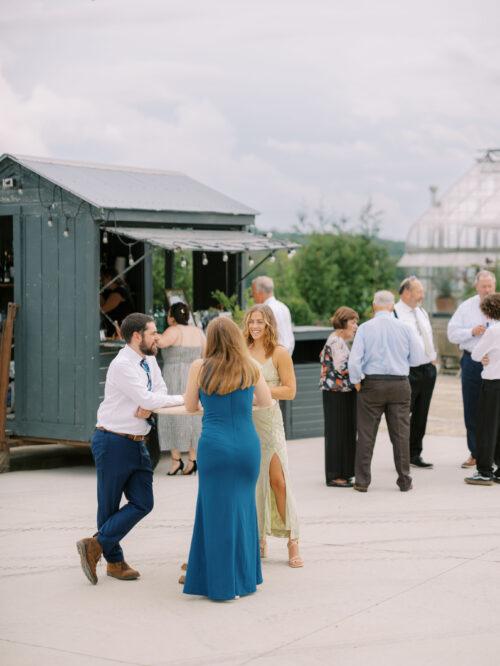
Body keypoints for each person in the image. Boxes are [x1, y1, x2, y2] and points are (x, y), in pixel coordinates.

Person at [76, 313, 184, 585]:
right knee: (109, 506)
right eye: (153, 332)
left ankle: (96, 544)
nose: (157, 336)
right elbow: (150, 397)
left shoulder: (148, 359)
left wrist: (153, 402)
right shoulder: (122, 365)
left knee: (143, 502)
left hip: (138, 442)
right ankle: (114, 562)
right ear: (137, 336)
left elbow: (158, 391)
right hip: (112, 440)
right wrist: (184, 398)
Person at [182, 317, 273, 601]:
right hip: (247, 445)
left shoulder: (200, 367)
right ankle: (244, 579)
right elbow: (267, 402)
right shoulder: (251, 367)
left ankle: (219, 584)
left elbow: (189, 406)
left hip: (215, 447)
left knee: (215, 513)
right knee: (244, 510)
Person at [243, 305, 303, 568]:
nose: (255, 326)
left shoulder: (279, 353)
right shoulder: (241, 351)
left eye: (260, 322)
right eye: (251, 321)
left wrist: (262, 390)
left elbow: (290, 391)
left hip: (270, 425)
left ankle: (293, 540)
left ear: (269, 325)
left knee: (278, 481)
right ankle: (258, 540)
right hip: (246, 424)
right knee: (252, 485)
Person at [348, 291, 426, 492]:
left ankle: (362, 481)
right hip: (400, 384)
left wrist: (356, 380)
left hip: (372, 385)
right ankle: (404, 481)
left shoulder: (364, 328)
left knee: (366, 434)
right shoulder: (406, 328)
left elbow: (355, 360)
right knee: (401, 435)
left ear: (374, 306)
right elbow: (418, 358)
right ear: (392, 307)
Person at [448, 270, 496, 468]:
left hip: (496, 363)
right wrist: (471, 332)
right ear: (476, 286)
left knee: (495, 410)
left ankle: (494, 454)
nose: (487, 289)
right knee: (472, 408)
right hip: (471, 363)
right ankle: (475, 453)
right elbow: (451, 333)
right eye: (483, 286)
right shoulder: (466, 307)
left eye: (490, 286)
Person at [157, 302, 206, 476]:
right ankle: (193, 459)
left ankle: (176, 459)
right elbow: (206, 355)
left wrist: (151, 332)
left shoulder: (173, 330)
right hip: (194, 376)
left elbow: (160, 343)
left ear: (172, 317)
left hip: (174, 376)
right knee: (193, 416)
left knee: (172, 415)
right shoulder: (198, 331)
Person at [395, 277, 437, 469]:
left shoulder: (421, 311)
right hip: (407, 371)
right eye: (419, 291)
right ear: (406, 292)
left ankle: (415, 453)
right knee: (403, 415)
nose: (422, 294)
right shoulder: (395, 313)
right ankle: (402, 454)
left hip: (427, 369)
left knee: (421, 414)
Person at [320, 306, 359, 487]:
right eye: (353, 322)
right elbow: (343, 368)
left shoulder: (339, 341)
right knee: (337, 433)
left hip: (342, 392)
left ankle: (344, 472)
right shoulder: (336, 342)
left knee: (344, 432)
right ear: (343, 322)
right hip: (336, 393)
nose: (356, 326)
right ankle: (335, 475)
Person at [465, 293, 500, 485]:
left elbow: (476, 355)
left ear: (488, 312)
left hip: (494, 383)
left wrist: (487, 356)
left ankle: (485, 471)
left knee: (487, 427)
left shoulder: (493, 331)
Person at [251, 276, 295, 355]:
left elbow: (263, 339)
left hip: (272, 358)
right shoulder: (283, 307)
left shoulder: (265, 311)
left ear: (260, 294)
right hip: (287, 355)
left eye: (253, 293)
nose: (252, 297)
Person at [100, 268, 134, 338]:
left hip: (121, 332)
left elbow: (103, 309)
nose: (102, 282)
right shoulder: (109, 292)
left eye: (103, 279)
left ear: (109, 277)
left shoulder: (119, 291)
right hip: (113, 331)